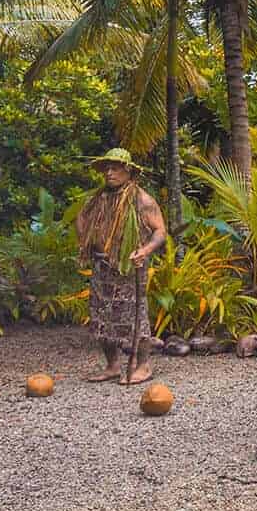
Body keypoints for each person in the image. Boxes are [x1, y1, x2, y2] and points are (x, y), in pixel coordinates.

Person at [75, 148, 166, 385]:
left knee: (135, 315)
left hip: (129, 268)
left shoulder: (142, 200)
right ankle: (113, 366)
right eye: (106, 168)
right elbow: (82, 219)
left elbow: (160, 231)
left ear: (128, 171)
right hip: (102, 267)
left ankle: (143, 365)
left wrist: (144, 251)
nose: (109, 172)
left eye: (115, 168)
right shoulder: (98, 198)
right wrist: (87, 242)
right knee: (101, 316)